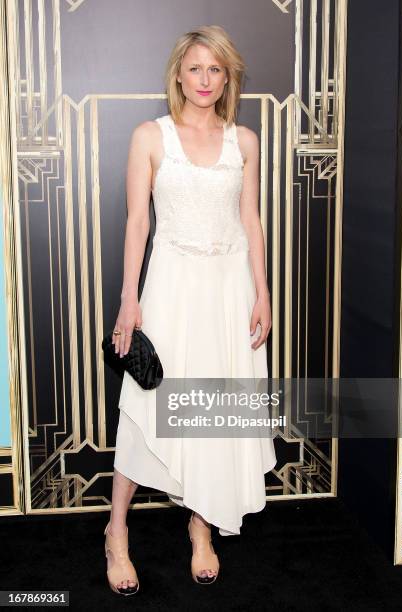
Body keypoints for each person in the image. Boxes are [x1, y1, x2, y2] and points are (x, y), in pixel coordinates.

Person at [103, 24, 276, 596]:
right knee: (146, 411)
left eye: (216, 69)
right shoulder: (150, 136)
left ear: (228, 78)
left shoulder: (244, 141)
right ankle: (116, 532)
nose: (205, 79)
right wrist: (129, 300)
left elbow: (250, 220)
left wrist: (263, 291)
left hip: (229, 290)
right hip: (172, 287)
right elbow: (137, 223)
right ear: (179, 73)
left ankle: (201, 531)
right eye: (196, 67)